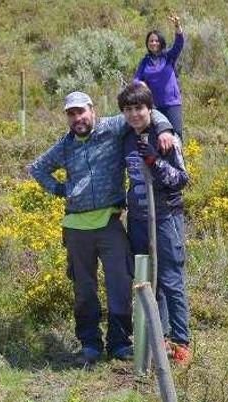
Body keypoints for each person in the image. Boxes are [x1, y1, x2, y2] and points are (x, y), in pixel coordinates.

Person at [28, 91, 174, 365]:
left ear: (92, 110)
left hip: (110, 223)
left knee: (119, 283)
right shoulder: (65, 145)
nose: (77, 118)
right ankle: (90, 344)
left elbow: (146, 113)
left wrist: (165, 128)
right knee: (84, 288)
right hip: (76, 226)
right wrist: (60, 189)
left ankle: (119, 343)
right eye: (71, 114)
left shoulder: (113, 128)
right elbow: (37, 169)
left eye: (81, 112)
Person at [118, 82, 191, 365]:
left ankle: (181, 341)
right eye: (129, 109)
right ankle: (159, 335)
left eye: (139, 108)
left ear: (150, 108)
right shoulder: (125, 136)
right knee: (149, 279)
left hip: (165, 217)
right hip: (137, 219)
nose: (135, 114)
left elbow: (181, 179)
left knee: (171, 279)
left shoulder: (166, 139)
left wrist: (155, 162)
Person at [133, 15, 184, 136]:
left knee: (176, 133)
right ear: (147, 43)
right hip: (155, 106)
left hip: (172, 104)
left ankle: (178, 155)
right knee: (158, 135)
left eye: (156, 40)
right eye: (151, 41)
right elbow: (136, 79)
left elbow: (179, 44)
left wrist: (177, 26)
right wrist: (140, 84)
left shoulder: (168, 56)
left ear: (160, 43)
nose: (154, 43)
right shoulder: (145, 62)